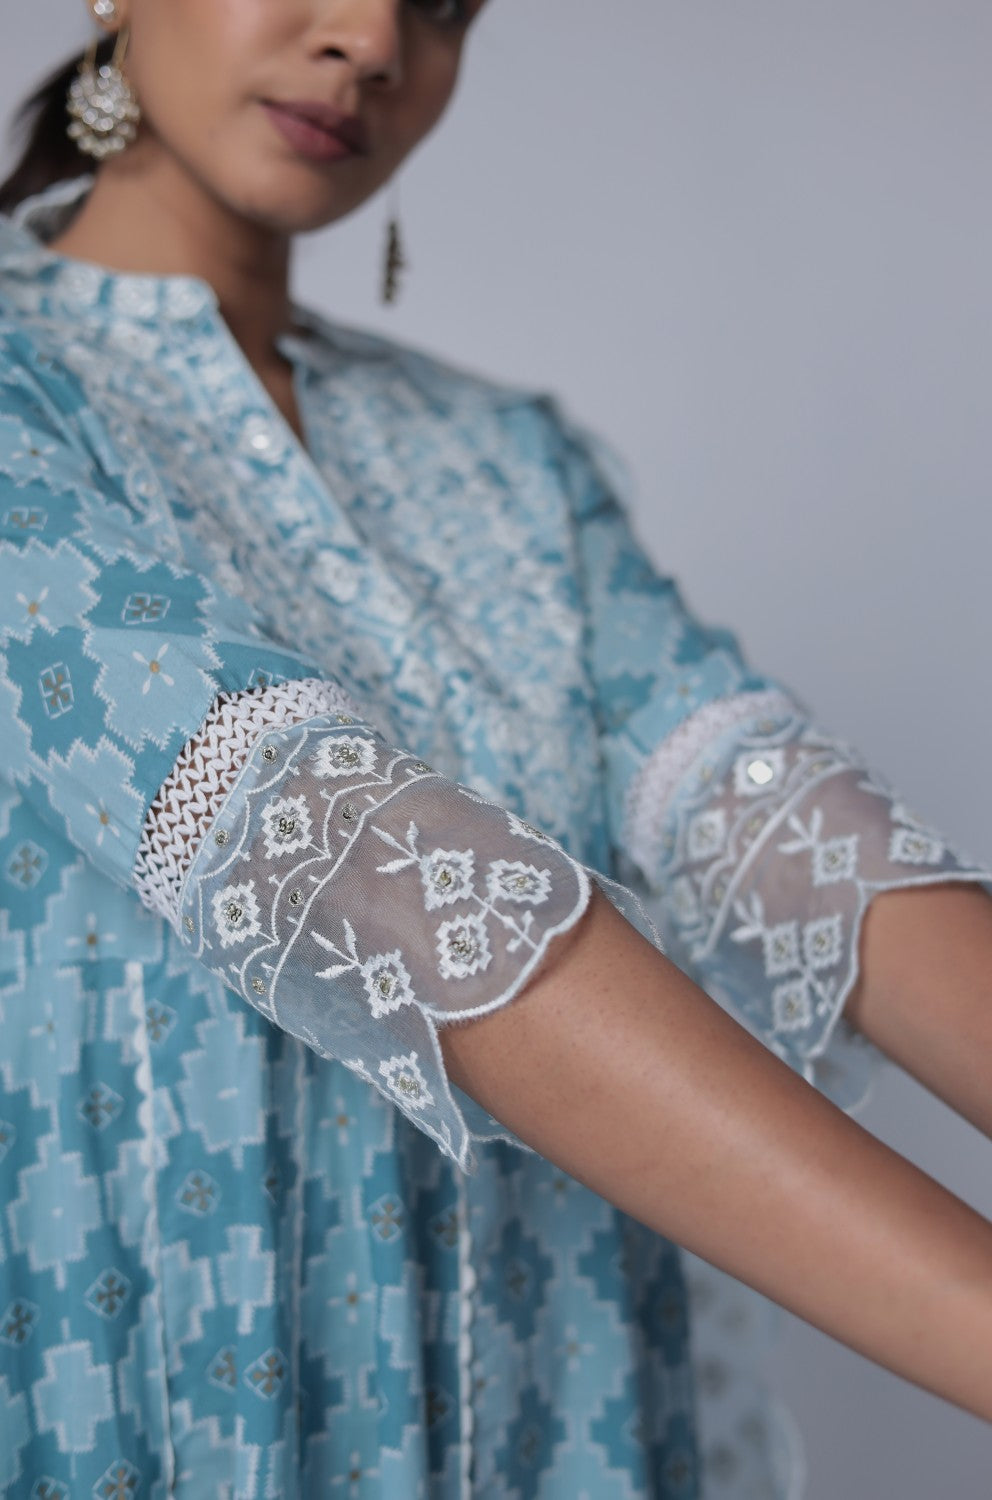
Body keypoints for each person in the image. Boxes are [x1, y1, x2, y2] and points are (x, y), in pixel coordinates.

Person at [0, 3, 990, 1497]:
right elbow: (390, 888)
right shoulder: (22, 401)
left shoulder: (515, 457)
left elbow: (794, 835)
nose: (372, 39)